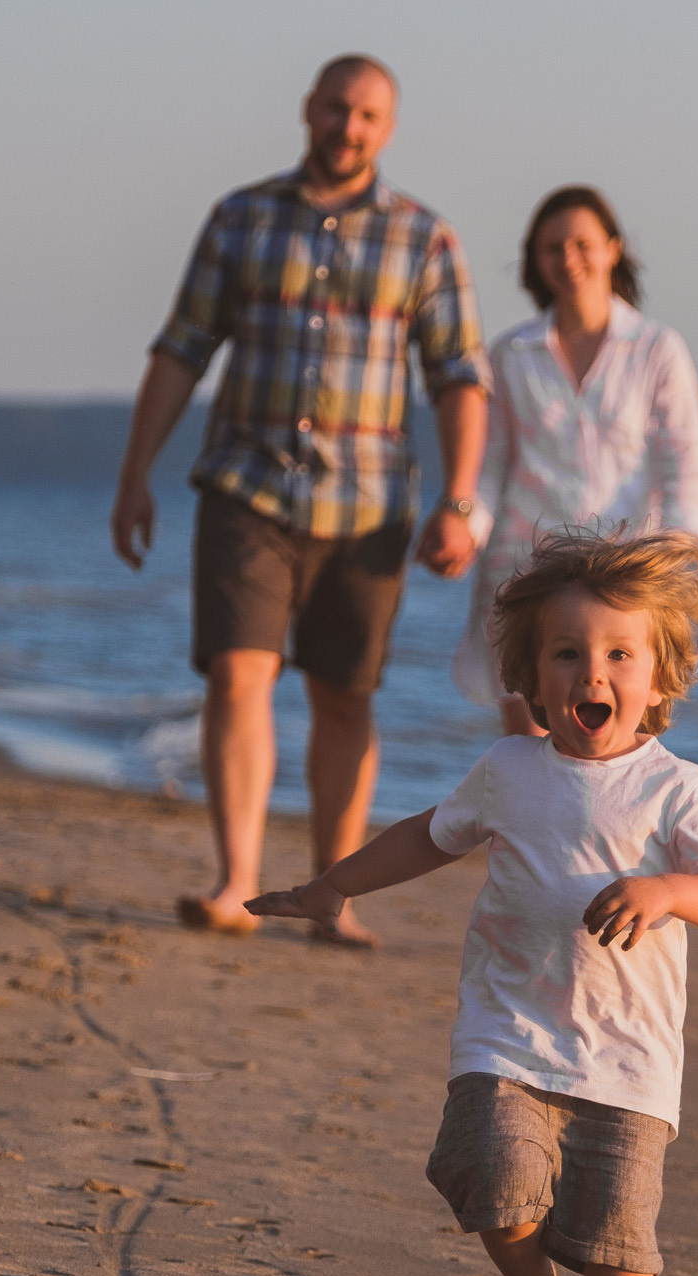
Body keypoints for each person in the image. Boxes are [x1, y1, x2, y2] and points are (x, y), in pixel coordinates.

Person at [247, 528, 698, 1276]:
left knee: (617, 1235)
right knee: (492, 1175)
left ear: (660, 679)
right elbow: (427, 835)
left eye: (617, 655)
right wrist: (334, 884)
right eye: (567, 654)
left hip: (628, 1058)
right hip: (508, 1031)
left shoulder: (677, 789)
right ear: (526, 674)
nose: (591, 674)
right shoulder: (510, 769)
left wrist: (671, 889)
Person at [111, 54, 490, 948]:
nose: (348, 127)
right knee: (239, 672)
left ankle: (331, 894)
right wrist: (135, 474)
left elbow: (460, 377)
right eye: (335, 109)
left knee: (344, 697)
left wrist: (461, 500)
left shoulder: (424, 239)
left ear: (386, 129)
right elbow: (181, 350)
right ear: (306, 111)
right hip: (248, 486)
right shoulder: (240, 219)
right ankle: (235, 880)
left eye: (367, 116)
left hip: (368, 512)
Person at [453, 187, 698, 736]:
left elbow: (684, 461)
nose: (569, 259)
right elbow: (491, 464)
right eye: (552, 247)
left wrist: (678, 556)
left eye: (582, 243)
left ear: (613, 249)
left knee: (618, 743)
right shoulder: (509, 353)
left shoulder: (657, 349)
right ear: (535, 260)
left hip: (621, 573)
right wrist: (464, 527)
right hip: (523, 569)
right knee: (529, 748)